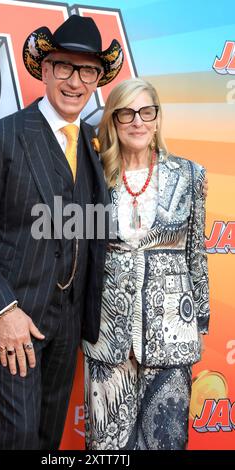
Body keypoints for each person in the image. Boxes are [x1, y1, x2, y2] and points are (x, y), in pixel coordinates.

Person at [0, 15, 123, 450]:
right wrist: (4, 311)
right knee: (19, 437)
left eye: (88, 71)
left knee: (46, 437)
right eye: (65, 66)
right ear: (45, 70)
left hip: (69, 322)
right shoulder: (3, 137)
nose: (75, 81)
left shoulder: (92, 144)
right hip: (16, 320)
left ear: (97, 79)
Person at [82, 77, 210, 450]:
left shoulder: (190, 175)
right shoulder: (93, 177)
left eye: (146, 112)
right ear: (114, 121)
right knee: (106, 446)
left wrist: (199, 317)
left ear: (157, 119)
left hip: (171, 332)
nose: (137, 121)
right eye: (126, 113)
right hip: (109, 334)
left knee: (165, 442)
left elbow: (196, 254)